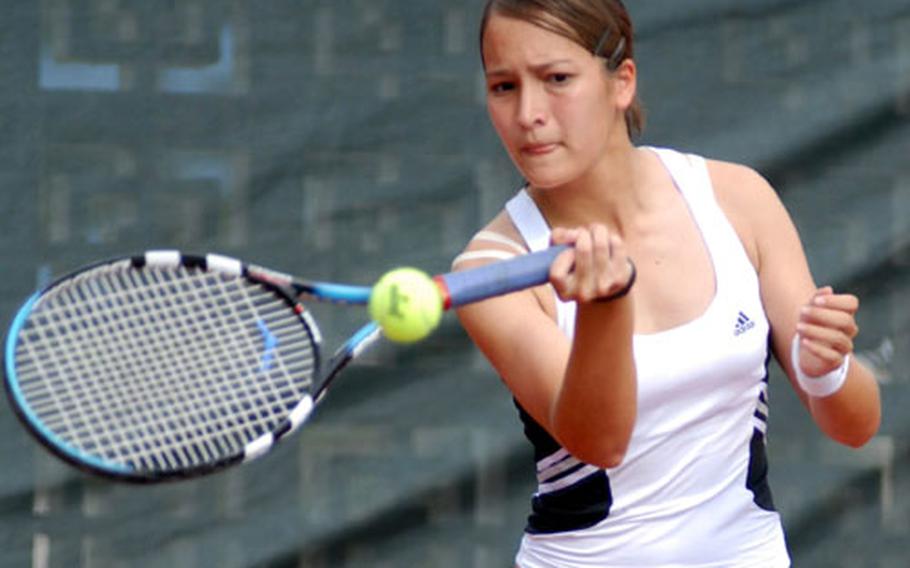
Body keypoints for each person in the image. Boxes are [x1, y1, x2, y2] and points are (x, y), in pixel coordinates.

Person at [451, 1, 882, 566]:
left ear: (621, 82)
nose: (528, 112)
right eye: (503, 86)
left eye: (557, 79)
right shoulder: (491, 270)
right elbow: (601, 441)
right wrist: (606, 309)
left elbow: (857, 426)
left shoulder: (739, 199)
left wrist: (829, 370)